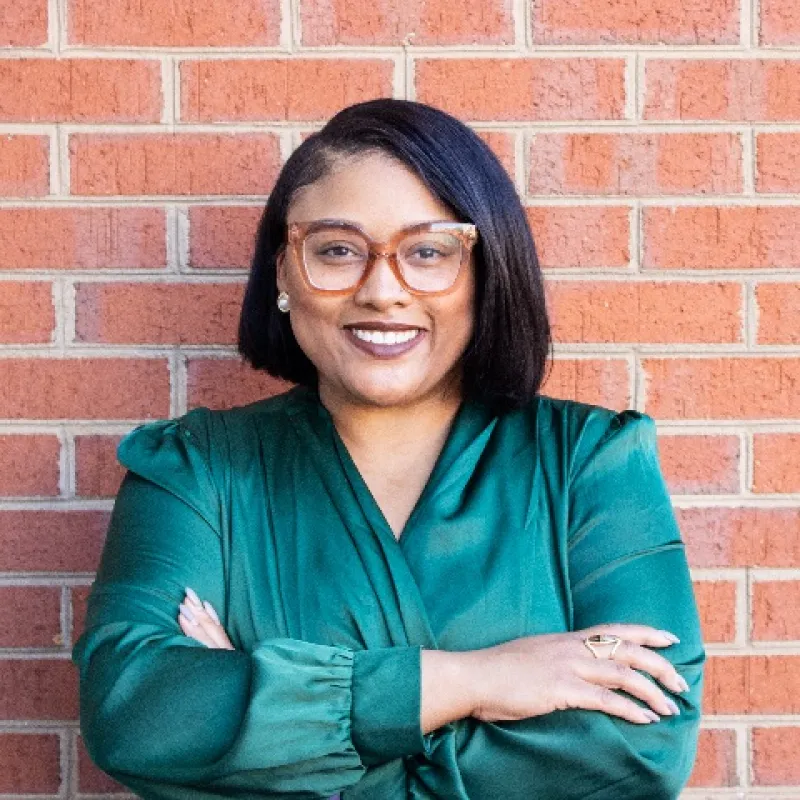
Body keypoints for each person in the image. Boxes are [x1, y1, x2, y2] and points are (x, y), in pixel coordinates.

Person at [73, 98, 706, 799]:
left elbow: (644, 749)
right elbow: (136, 715)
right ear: (282, 271)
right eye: (338, 250)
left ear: (485, 272)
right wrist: (473, 679)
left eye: (429, 252)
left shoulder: (589, 463)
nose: (382, 291)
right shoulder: (196, 471)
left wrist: (270, 722)